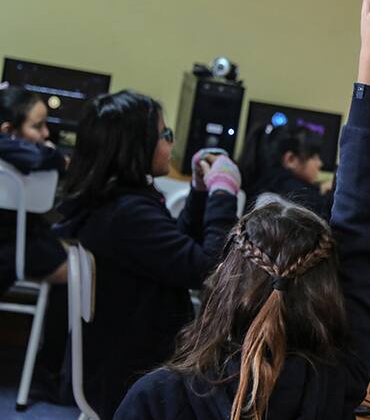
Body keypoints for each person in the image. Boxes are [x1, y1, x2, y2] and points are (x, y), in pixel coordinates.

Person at [114, 0, 370, 420]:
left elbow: (357, 231)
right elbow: (359, 227)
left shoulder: (158, 397)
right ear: (327, 296)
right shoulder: (340, 383)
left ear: (223, 284)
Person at [52, 90, 241, 419]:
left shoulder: (117, 200)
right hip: (138, 376)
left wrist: (199, 192)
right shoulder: (127, 214)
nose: (171, 142)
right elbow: (208, 269)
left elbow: (176, 251)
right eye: (165, 135)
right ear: (136, 147)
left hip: (122, 361)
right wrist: (223, 193)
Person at [0, 84, 68, 293]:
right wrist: (58, 158)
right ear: (8, 131)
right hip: (13, 243)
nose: (46, 133)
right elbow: (36, 157)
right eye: (38, 126)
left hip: (17, 237)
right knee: (79, 270)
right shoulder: (21, 151)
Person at [239, 123, 332, 218]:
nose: (320, 163)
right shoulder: (301, 197)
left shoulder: (264, 184)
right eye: (314, 157)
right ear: (290, 159)